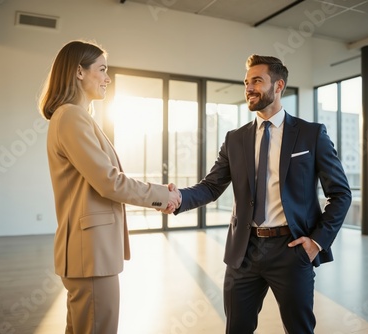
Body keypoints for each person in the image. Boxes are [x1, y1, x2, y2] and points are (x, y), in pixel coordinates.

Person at [165, 55, 351, 333]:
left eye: (257, 81)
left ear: (278, 86)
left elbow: (341, 194)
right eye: (246, 82)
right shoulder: (235, 139)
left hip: (292, 250)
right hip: (244, 251)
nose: (249, 88)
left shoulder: (311, 134)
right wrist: (179, 197)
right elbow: (212, 186)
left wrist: (316, 242)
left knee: (299, 329)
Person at [39, 40, 180, 334]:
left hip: (88, 253)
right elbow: (109, 181)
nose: (107, 78)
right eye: (102, 70)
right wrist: (162, 195)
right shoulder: (72, 116)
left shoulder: (73, 117)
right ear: (79, 72)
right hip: (90, 254)